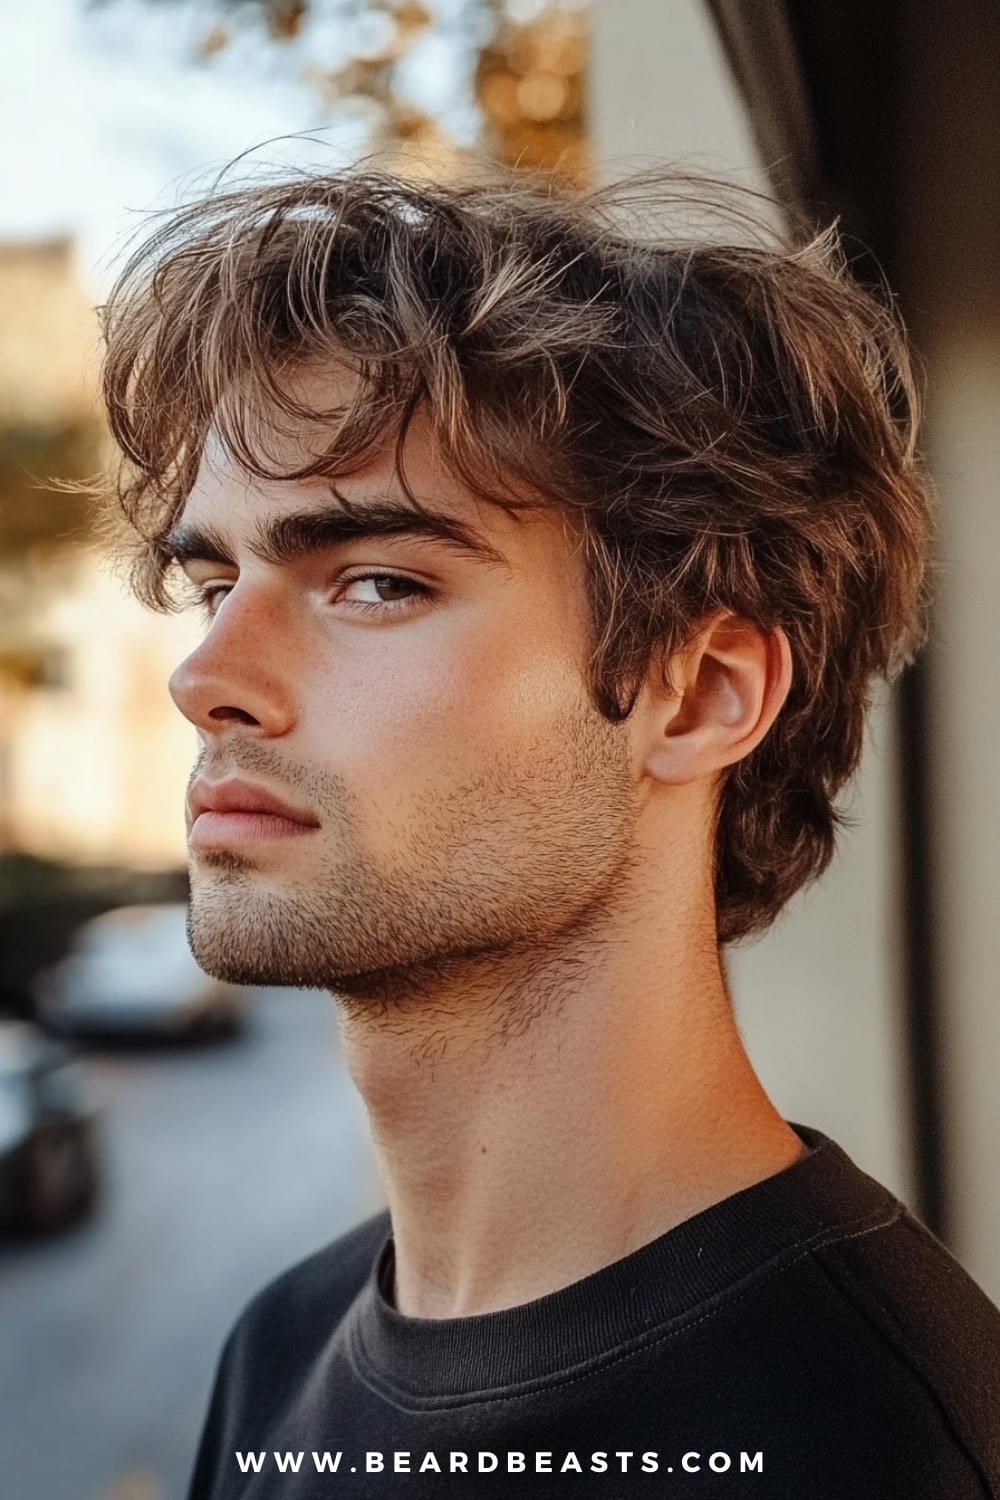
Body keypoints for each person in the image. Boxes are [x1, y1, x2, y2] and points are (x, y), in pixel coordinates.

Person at [97, 167, 999, 1497]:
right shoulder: (281, 1352)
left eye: (380, 582)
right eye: (216, 580)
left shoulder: (878, 1443)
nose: (205, 674)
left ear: (695, 697)